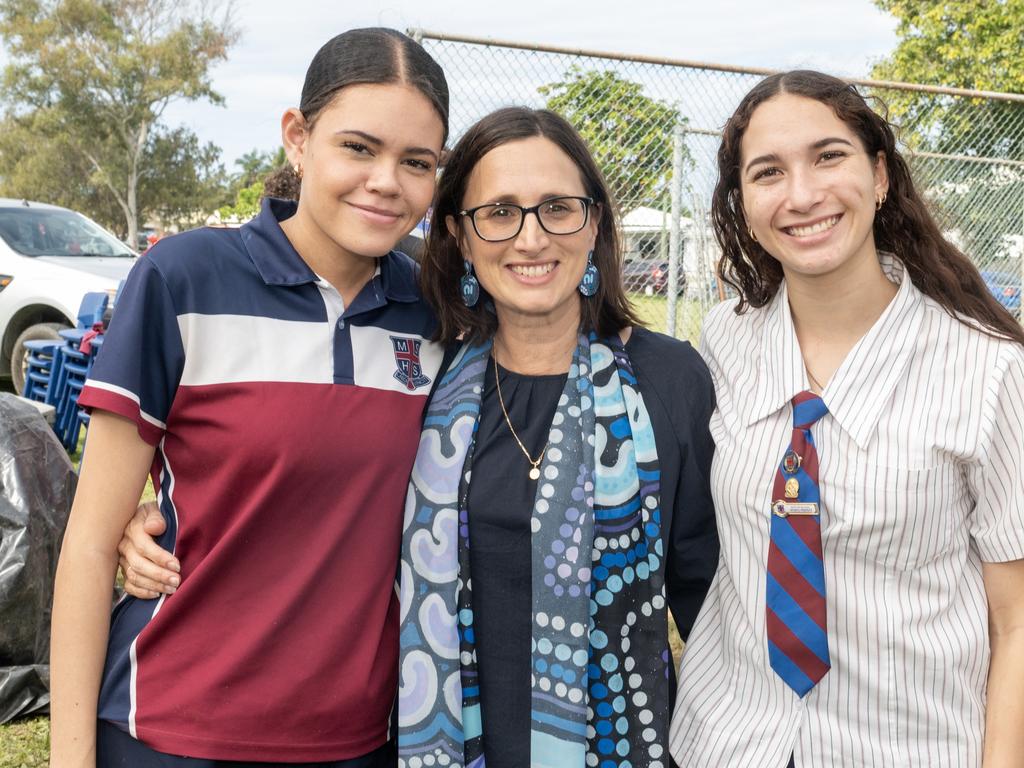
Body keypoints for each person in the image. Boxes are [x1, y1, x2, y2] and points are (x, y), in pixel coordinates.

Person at [118, 106, 719, 766]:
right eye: (499, 212)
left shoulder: (668, 379)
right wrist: (150, 520)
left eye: (558, 207)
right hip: (443, 742)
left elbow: (713, 595)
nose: (531, 238)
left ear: (594, 221)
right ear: (460, 235)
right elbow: (323, 476)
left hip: (619, 747)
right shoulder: (428, 375)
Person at [50, 27, 449, 767]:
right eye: (359, 148)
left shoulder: (438, 317)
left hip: (356, 742)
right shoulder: (184, 278)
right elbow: (89, 544)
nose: (387, 181)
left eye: (416, 162)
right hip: (168, 733)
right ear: (298, 138)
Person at [669, 70, 1024, 767]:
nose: (802, 195)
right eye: (769, 172)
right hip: (727, 742)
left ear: (881, 174)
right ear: (742, 204)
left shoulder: (992, 370)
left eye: (828, 156)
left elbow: (1016, 623)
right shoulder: (723, 341)